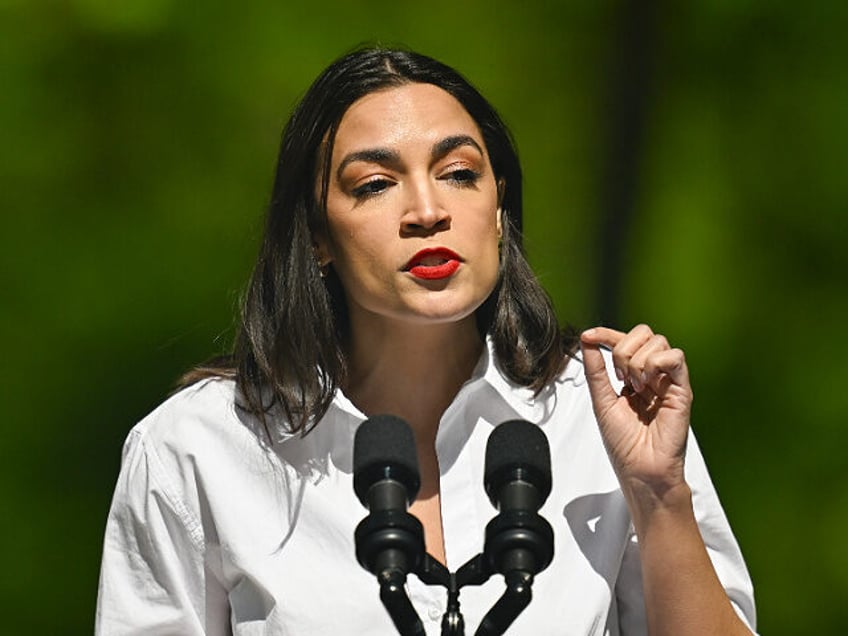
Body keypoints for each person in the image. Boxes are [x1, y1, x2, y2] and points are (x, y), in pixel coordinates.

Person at [95, 47, 757, 635]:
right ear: (317, 237)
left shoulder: (605, 412)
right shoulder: (198, 448)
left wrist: (657, 490)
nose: (428, 211)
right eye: (375, 184)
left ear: (499, 207)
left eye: (459, 173)